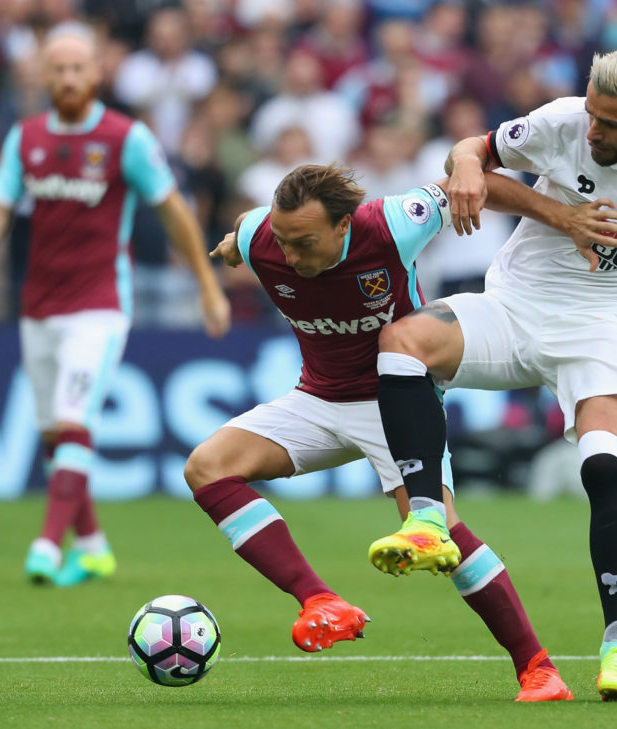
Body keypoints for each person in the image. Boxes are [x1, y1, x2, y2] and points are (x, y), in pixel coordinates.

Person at [368, 48, 617, 701]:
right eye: (590, 114)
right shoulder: (563, 122)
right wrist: (483, 173)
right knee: (401, 342)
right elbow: (472, 153)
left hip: (602, 324)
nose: (591, 132)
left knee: (604, 462)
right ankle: (426, 518)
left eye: (608, 124)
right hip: (515, 305)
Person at [185, 163, 571, 702]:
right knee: (206, 466)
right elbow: (245, 236)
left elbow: (474, 184)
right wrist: (234, 245)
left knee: (445, 536)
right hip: (317, 399)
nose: (292, 256)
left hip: (397, 401)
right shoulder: (259, 236)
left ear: (344, 226)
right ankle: (321, 602)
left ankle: (538, 668)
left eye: (306, 243)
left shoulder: (394, 223)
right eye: (284, 242)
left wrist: (562, 217)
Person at [0, 22, 230, 587]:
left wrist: (206, 283)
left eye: (79, 68)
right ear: (42, 75)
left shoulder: (127, 138)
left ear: (97, 72)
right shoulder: (25, 139)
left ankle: (48, 543)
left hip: (99, 306)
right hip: (38, 307)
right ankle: (93, 546)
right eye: (58, 68)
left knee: (74, 422)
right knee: (55, 436)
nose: (69, 78)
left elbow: (172, 209)